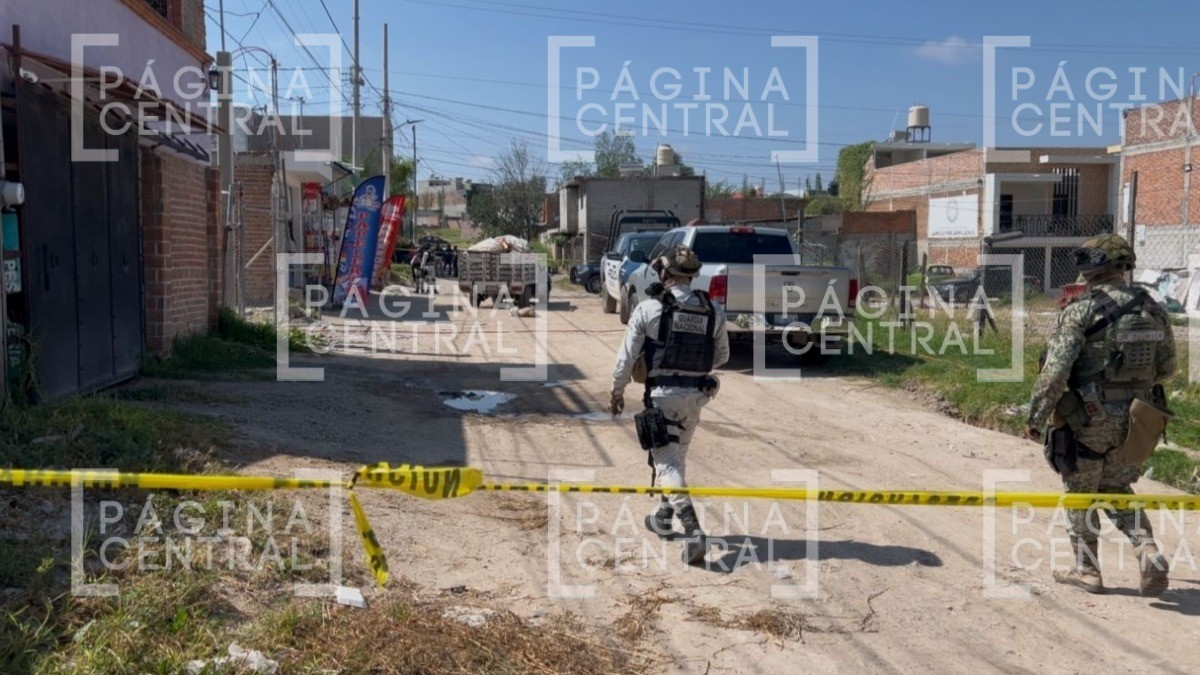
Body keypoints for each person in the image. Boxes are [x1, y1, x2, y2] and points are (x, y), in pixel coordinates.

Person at [1026, 234, 1176, 596]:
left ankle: (1087, 570)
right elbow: (1167, 368)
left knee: (1080, 492)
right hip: (1139, 419)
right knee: (1117, 488)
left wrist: (1037, 415)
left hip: (1089, 418)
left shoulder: (1081, 310)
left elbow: (1055, 371)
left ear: (1095, 267)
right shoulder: (1153, 308)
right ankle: (1147, 548)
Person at [609, 244, 729, 565]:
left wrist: (617, 391)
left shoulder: (649, 310)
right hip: (696, 398)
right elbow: (721, 357)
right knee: (677, 459)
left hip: (662, 398)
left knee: (667, 464)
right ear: (691, 276)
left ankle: (694, 533)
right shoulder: (713, 310)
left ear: (664, 273)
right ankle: (664, 516)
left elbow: (626, 358)